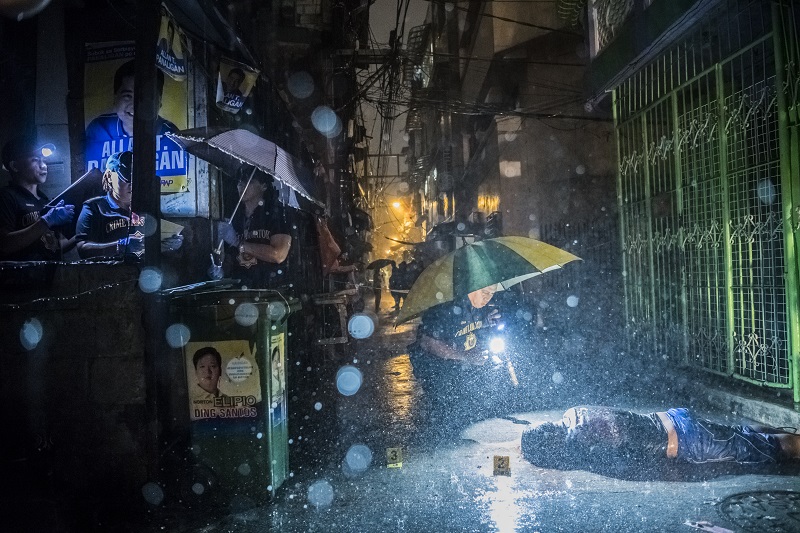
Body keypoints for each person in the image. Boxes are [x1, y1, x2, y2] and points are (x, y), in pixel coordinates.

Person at [521, 406, 800, 471]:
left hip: (687, 440)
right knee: (745, 434)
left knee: (770, 449)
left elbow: (623, 454)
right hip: (673, 418)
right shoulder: (572, 412)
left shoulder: (578, 442)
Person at [409, 284, 506, 413]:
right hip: (437, 371)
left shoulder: (481, 308)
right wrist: (466, 356)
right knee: (445, 410)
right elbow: (429, 343)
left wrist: (489, 321)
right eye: (484, 292)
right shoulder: (444, 308)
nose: (487, 297)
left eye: (491, 293)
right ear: (471, 288)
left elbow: (478, 329)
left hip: (462, 370)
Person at [0, 137, 75, 260]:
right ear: (14, 166)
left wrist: (79, 237)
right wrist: (45, 221)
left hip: (50, 277)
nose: (43, 166)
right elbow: (4, 244)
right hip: (19, 277)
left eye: (44, 160)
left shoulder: (44, 200)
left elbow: (53, 246)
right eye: (35, 160)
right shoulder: (6, 197)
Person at [216, 166, 292, 288]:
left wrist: (239, 243)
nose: (242, 185)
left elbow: (279, 255)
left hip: (269, 288)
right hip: (240, 287)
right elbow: (230, 258)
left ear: (264, 186)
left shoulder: (274, 215)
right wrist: (219, 270)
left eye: (249, 182)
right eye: (240, 182)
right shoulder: (234, 217)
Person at [85, 59, 179, 146]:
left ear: (159, 102)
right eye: (127, 96)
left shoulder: (172, 136)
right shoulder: (99, 129)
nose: (136, 105)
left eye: (146, 97)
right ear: (115, 98)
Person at [74, 151, 145, 259]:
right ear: (109, 176)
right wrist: (119, 246)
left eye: (136, 179)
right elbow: (82, 248)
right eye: (126, 179)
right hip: (109, 273)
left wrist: (172, 244)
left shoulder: (146, 207)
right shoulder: (94, 208)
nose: (132, 184)